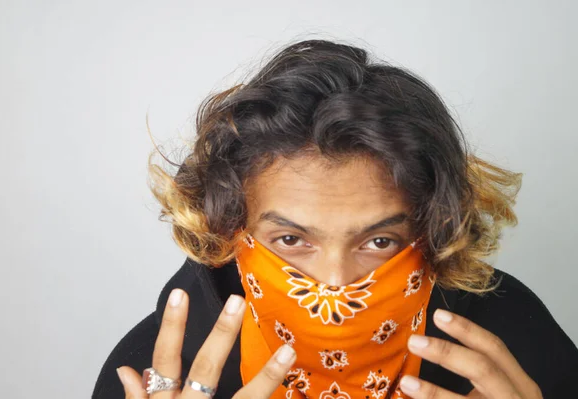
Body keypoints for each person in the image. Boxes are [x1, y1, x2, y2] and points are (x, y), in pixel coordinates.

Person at [92, 39, 578, 398]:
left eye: (379, 241)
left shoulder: (516, 349)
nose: (335, 284)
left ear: (432, 228)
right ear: (230, 231)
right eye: (290, 239)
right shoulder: (154, 377)